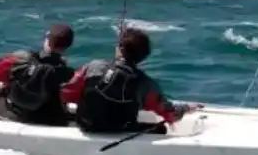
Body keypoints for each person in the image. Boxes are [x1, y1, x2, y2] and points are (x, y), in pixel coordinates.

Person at [61, 27, 202, 134]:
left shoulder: (93, 67)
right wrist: (186, 108)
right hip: (120, 129)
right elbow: (169, 113)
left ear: (120, 49)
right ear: (143, 57)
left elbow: (67, 93)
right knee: (161, 129)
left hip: (86, 125)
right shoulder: (146, 84)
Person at [0, 22, 75, 126]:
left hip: (19, 115)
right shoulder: (67, 73)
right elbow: (70, 95)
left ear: (47, 37)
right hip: (51, 121)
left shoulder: (20, 58)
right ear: (69, 45)